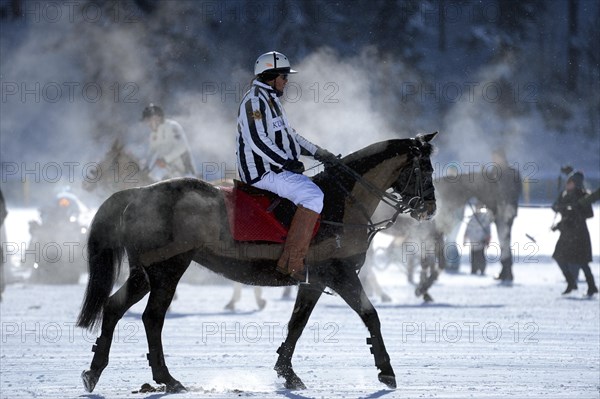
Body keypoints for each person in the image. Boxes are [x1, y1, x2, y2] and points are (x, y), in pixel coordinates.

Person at [236, 51, 337, 280]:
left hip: (276, 168)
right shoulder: (254, 101)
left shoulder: (272, 101)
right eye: (283, 76)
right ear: (270, 76)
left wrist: (319, 153)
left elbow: (291, 136)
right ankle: (292, 264)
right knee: (312, 195)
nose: (286, 81)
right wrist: (287, 162)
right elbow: (257, 139)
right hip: (261, 172)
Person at [552, 171, 598, 296]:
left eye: (570, 182)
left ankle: (592, 286)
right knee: (559, 257)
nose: (568, 185)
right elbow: (561, 209)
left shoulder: (583, 196)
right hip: (567, 233)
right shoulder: (565, 195)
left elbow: (589, 214)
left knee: (582, 262)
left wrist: (577, 210)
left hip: (579, 233)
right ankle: (571, 282)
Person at [489, 148, 521, 283]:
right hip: (499, 211)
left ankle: (508, 271)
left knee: (505, 240)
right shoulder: (494, 172)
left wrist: (508, 206)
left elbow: (515, 192)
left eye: (495, 157)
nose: (493, 160)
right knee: (503, 241)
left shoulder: (510, 172)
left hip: (506, 211)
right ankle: (505, 270)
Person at [141, 104, 197, 180]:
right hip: (170, 172)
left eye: (149, 120)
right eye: (146, 121)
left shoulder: (172, 126)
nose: (148, 124)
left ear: (157, 117)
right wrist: (146, 167)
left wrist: (165, 159)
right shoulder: (153, 135)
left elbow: (182, 147)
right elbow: (151, 152)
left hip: (185, 171)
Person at [463, 202, 493, 275]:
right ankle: (474, 270)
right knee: (473, 258)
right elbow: (467, 229)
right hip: (473, 243)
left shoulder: (485, 218)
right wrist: (464, 239)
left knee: (481, 257)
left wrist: (488, 241)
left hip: (481, 243)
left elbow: (488, 231)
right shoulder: (472, 217)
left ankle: (482, 270)